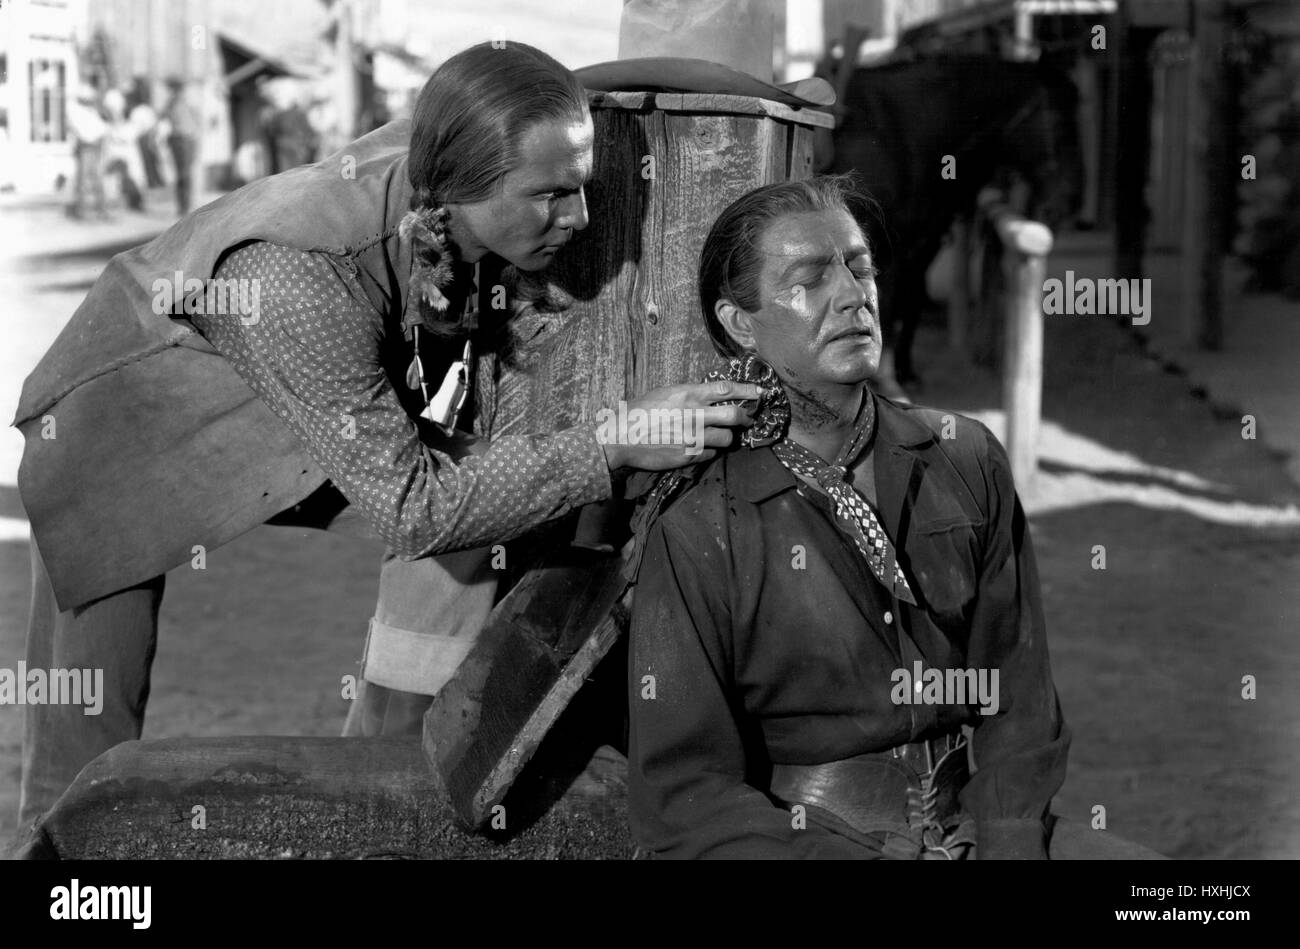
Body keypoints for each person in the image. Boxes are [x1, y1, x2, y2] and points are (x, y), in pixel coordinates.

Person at [12, 42, 760, 832]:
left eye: (582, 186)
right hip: (115, 440)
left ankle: (388, 779)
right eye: (550, 195)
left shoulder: (464, 134)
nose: (577, 218)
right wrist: (612, 443)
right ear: (467, 181)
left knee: (488, 512)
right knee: (75, 764)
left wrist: (785, 99)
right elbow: (412, 508)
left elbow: (591, 84)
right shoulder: (297, 275)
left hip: (301, 404)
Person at [625, 175, 1073, 859]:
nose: (851, 295)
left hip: (975, 831)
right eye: (809, 279)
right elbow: (687, 796)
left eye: (860, 268)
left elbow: (1019, 699)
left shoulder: (965, 458)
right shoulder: (701, 525)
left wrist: (1009, 837)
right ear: (739, 322)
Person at [65, 85, 109, 220]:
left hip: (93, 146)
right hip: (87, 146)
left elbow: (102, 128)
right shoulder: (76, 111)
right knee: (86, 179)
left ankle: (99, 210)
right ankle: (84, 211)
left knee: (94, 179)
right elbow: (83, 131)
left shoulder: (91, 111)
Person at [160, 77, 199, 214]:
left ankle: (186, 205)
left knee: (186, 174)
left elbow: (197, 120)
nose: (174, 92)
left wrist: (195, 138)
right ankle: (181, 206)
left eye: (175, 89)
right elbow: (163, 116)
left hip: (186, 139)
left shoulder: (188, 102)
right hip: (176, 139)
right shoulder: (171, 103)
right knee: (179, 174)